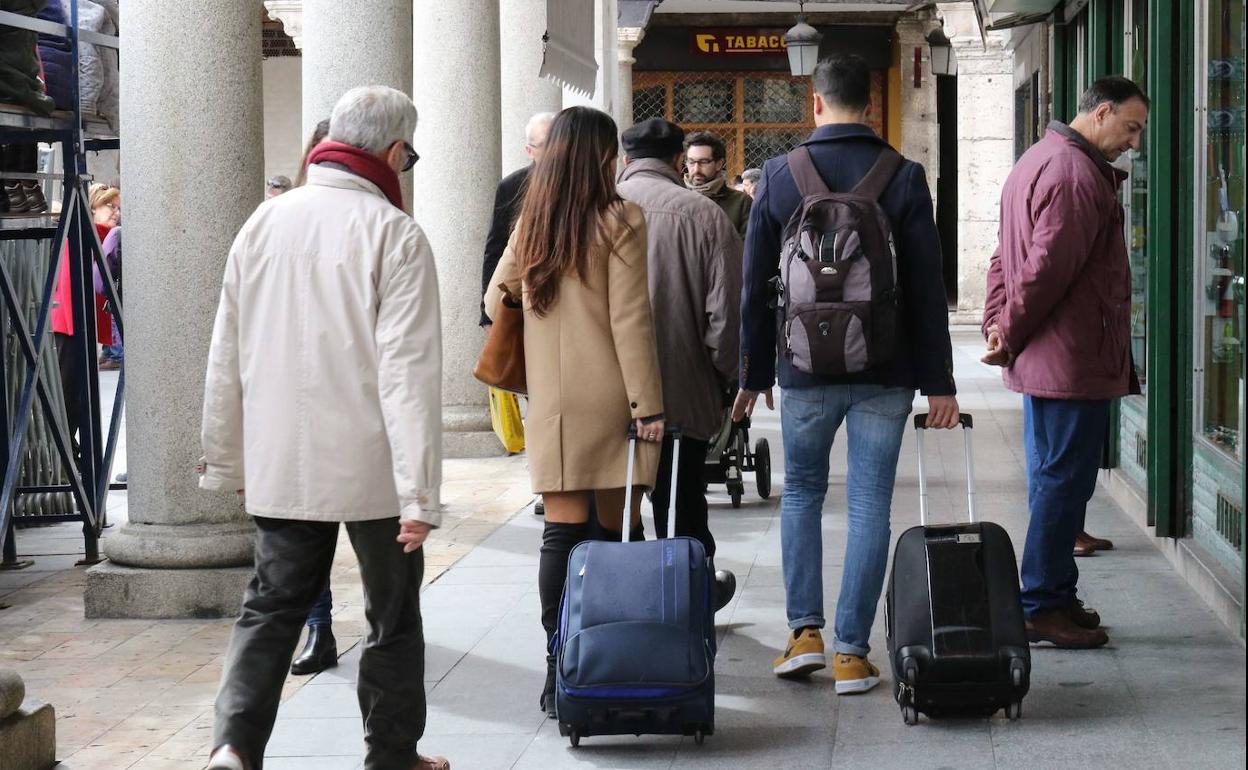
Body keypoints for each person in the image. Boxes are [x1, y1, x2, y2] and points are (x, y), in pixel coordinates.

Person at [201, 85, 448, 770]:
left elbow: (228, 351)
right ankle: (393, 755)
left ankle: (234, 746)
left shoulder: (264, 221)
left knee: (270, 607)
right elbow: (408, 374)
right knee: (392, 617)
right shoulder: (395, 233)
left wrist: (225, 455)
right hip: (376, 468)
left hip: (285, 454)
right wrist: (420, 494)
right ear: (395, 152)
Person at [734, 54, 960, 693]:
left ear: (815, 103)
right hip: (885, 370)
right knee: (868, 503)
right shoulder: (904, 175)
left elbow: (756, 288)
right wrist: (939, 381)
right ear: (870, 103)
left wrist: (753, 375)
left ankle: (803, 633)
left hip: (802, 371)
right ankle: (852, 653)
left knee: (802, 493)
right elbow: (926, 287)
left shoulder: (778, 175)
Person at [484, 106, 665, 720]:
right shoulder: (621, 218)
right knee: (617, 536)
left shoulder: (532, 223)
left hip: (555, 405)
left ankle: (558, 662)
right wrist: (649, 405)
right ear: (602, 156)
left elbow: (494, 297)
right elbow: (630, 319)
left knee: (560, 534)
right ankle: (618, 657)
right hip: (614, 398)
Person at [981, 76, 1149, 650]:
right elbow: (1047, 268)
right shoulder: (1076, 173)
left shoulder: (1037, 158)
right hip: (1070, 356)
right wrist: (1011, 327)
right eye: (1131, 127)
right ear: (1101, 113)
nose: (1134, 141)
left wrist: (998, 321)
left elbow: (1004, 254)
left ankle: (1056, 592)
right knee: (1062, 479)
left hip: (1055, 355)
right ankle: (1041, 604)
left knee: (1057, 477)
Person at [616, 117, 741, 610]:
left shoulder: (592, 210)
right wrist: (724, 375)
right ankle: (688, 600)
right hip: (680, 393)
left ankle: (621, 601)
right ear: (676, 162)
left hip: (608, 395)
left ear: (625, 160)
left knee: (613, 507)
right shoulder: (705, 215)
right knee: (682, 502)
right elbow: (725, 316)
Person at [52, 183, 119, 462]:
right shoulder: (81, 234)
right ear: (93, 207)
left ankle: (71, 449)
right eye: (109, 206)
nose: (115, 212)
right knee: (70, 392)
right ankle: (65, 451)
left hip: (82, 323)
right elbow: (69, 282)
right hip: (71, 324)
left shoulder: (100, 236)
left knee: (82, 393)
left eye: (117, 207)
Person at [481, 111, 556, 327]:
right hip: (522, 298)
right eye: (545, 144)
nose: (554, 151)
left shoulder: (578, 184)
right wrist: (487, 315)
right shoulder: (512, 186)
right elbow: (495, 248)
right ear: (529, 151)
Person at [683, 130, 751, 237]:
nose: (696, 169)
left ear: (719, 164)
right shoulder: (676, 197)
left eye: (703, 162)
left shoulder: (741, 202)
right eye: (691, 162)